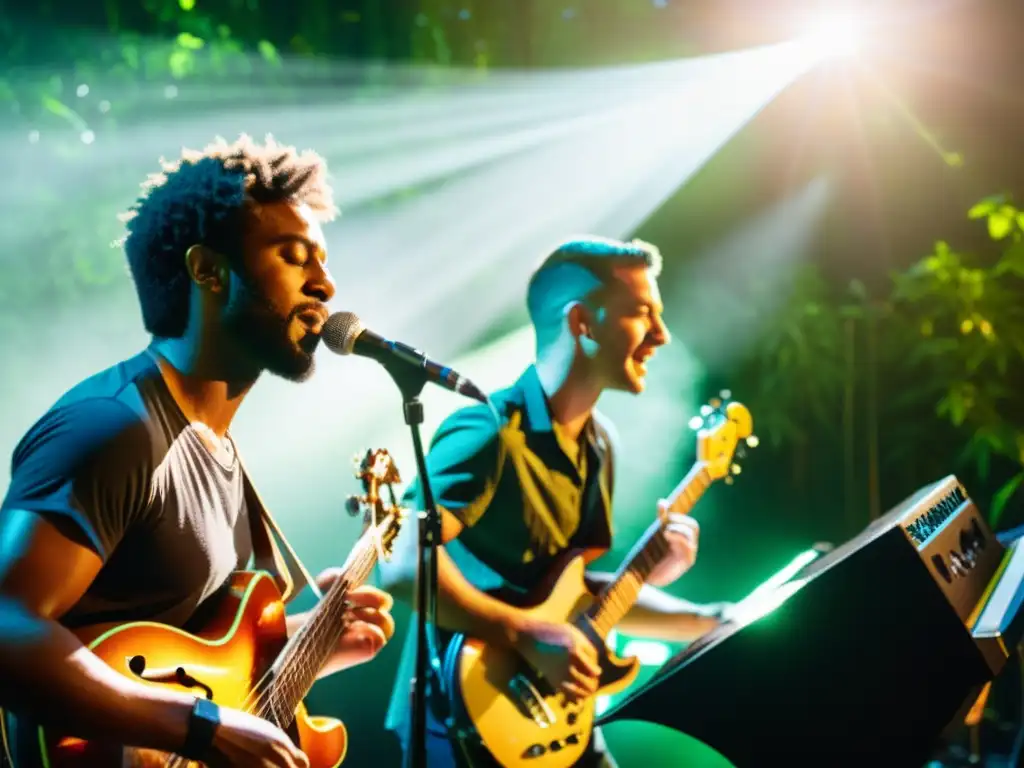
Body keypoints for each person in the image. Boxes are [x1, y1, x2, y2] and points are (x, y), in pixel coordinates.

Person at [0, 135, 394, 768]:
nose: (326, 283)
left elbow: (191, 660)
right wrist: (200, 727)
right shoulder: (113, 427)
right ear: (209, 271)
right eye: (295, 257)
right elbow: (8, 626)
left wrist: (313, 640)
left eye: (321, 260)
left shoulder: (216, 450)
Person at [380, 236, 729, 767]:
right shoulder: (487, 428)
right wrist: (524, 633)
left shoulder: (600, 444)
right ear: (582, 323)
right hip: (462, 723)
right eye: (641, 314)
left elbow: (575, 596)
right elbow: (405, 566)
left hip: (556, 723)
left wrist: (705, 619)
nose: (661, 334)